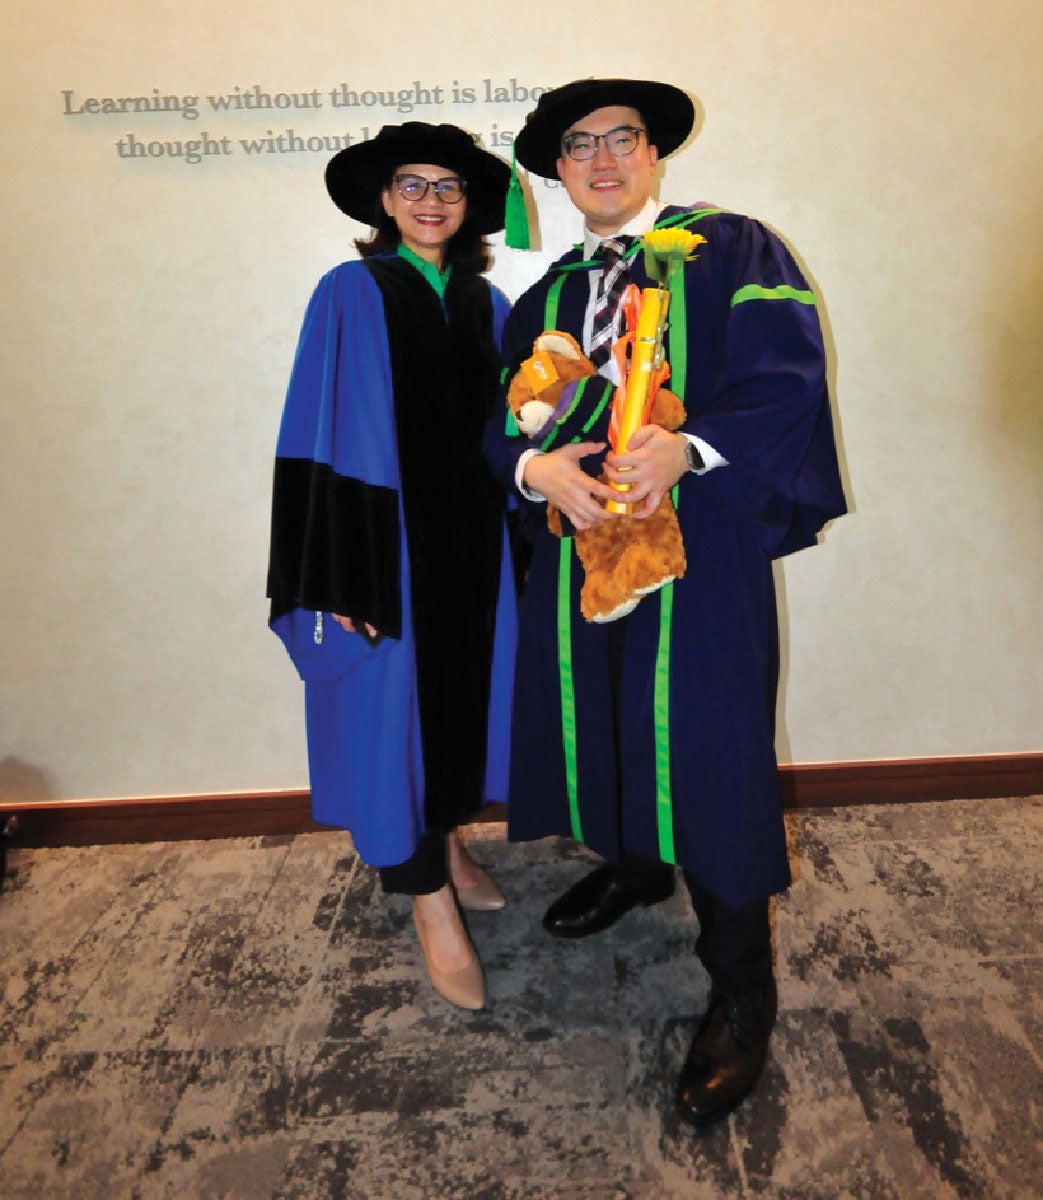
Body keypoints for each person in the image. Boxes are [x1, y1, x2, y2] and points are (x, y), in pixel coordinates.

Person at [483, 79, 846, 1123]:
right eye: (576, 146)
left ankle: (741, 983)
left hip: (700, 550)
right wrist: (527, 470)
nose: (600, 160)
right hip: (576, 556)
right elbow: (497, 423)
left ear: (653, 154)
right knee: (598, 717)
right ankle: (637, 866)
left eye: (620, 140)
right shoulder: (541, 296)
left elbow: (786, 378)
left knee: (711, 745)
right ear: (555, 171)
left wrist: (687, 446)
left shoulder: (731, 249)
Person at [268, 122, 518, 1012]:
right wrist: (339, 574)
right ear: (382, 201)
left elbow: (506, 433)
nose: (428, 201)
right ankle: (425, 898)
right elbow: (315, 435)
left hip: (474, 550)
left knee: (459, 704)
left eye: (446, 187)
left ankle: (445, 838)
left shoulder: (485, 305)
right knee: (390, 716)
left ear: (467, 206)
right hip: (390, 551)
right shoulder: (352, 290)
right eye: (410, 186)